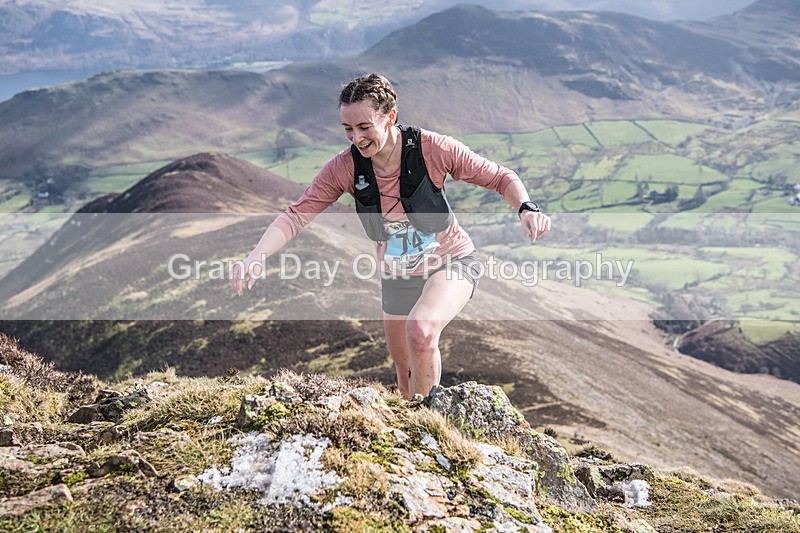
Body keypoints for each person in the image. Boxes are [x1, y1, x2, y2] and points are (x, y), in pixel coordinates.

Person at [231, 73, 551, 399]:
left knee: (421, 331)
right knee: (404, 372)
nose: (356, 138)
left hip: (452, 260)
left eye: (364, 127)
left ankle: (431, 421)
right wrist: (257, 255)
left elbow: (500, 177)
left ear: (390, 117)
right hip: (397, 274)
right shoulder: (344, 168)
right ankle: (416, 423)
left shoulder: (432, 148)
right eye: (347, 129)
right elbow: (296, 215)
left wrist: (527, 207)